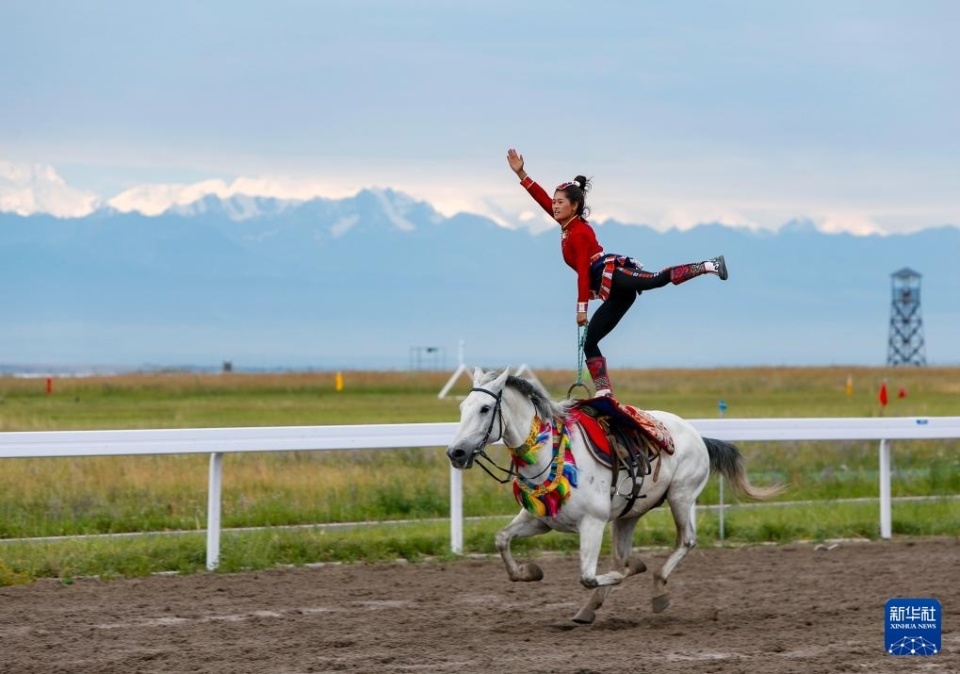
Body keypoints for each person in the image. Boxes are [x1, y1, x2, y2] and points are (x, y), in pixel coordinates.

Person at [507, 148, 728, 398]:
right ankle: (605, 393)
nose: (554, 206)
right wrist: (522, 173)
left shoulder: (579, 233)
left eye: (560, 202)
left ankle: (708, 265)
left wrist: (581, 310)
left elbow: (583, 272)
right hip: (612, 293)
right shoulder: (566, 224)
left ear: (575, 205)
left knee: (655, 280)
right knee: (590, 342)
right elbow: (541, 198)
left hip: (613, 275)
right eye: (554, 202)